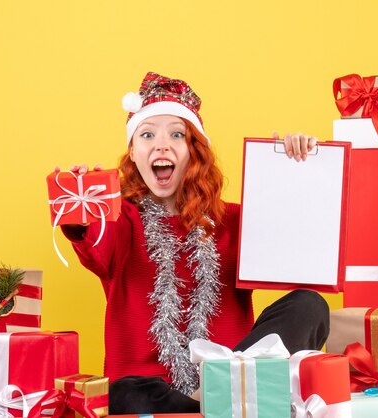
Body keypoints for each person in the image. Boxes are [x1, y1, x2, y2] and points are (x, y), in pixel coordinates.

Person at [58, 72, 329, 414]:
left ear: (194, 151)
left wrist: (292, 169)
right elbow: (93, 241)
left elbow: (298, 246)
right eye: (147, 134)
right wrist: (83, 208)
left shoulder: (234, 220)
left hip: (235, 375)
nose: (161, 145)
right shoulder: (120, 220)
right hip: (152, 395)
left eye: (177, 134)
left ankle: (220, 389)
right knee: (120, 393)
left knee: (309, 305)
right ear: (133, 152)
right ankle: (208, 404)